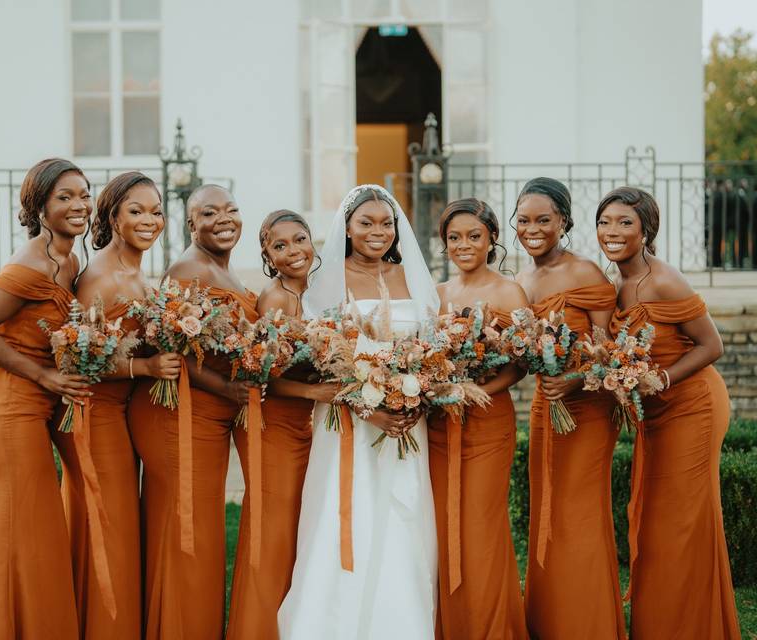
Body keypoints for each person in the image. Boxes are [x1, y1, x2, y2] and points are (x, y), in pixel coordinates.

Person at [279, 184, 440, 639]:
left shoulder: (412, 277)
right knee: (348, 508)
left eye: (386, 223)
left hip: (409, 421)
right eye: (366, 223)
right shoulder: (327, 280)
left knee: (403, 512)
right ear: (347, 228)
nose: (378, 232)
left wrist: (417, 393)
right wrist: (367, 405)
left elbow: (433, 347)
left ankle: (403, 620)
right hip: (348, 420)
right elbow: (323, 357)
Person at [597, 186, 741, 639]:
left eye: (625, 223)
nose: (612, 231)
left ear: (646, 231)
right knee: (655, 521)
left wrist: (661, 380)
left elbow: (712, 345)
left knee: (679, 523)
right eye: (605, 222)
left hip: (693, 406)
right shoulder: (612, 279)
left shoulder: (665, 280)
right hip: (655, 416)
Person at [0, 158, 92, 639]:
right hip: (7, 408)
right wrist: (43, 374)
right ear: (39, 207)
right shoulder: (30, 262)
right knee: (27, 537)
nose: (79, 205)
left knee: (36, 537)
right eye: (65, 197)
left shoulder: (71, 260)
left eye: (84, 194)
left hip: (36, 408)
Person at [127, 184, 257, 639]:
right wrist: (227, 387)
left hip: (207, 413)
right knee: (188, 534)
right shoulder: (188, 268)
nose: (224, 219)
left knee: (198, 533)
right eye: (209, 212)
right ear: (190, 224)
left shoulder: (224, 269)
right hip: (178, 414)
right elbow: (169, 348)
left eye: (232, 210)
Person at [54, 171, 180, 639]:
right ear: (113, 217)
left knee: (119, 532)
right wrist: (144, 370)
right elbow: (75, 360)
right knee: (110, 535)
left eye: (156, 211)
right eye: (136, 211)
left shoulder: (135, 270)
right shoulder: (101, 277)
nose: (150, 220)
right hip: (92, 415)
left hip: (121, 418)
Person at [514, 177, 627, 639]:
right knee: (548, 510)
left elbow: (615, 350)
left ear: (563, 221)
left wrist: (577, 377)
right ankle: (550, 621)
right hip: (547, 405)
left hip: (589, 409)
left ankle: (588, 625)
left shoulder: (585, 273)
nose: (533, 228)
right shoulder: (519, 280)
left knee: (579, 513)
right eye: (524, 220)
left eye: (544, 219)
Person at [226, 210, 339, 639]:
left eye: (300, 239)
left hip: (301, 424)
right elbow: (261, 376)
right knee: (271, 533)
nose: (294, 252)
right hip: (272, 424)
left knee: (296, 527)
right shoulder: (275, 299)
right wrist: (315, 393)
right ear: (268, 256)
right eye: (280, 246)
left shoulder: (312, 294)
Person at [428, 198, 530, 639]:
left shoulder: (510, 292)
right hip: (437, 425)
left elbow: (521, 362)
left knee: (480, 528)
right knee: (442, 528)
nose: (463, 245)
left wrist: (475, 391)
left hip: (487, 420)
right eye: (454, 238)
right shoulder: (439, 294)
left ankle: (490, 628)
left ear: (491, 238)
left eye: (473, 236)